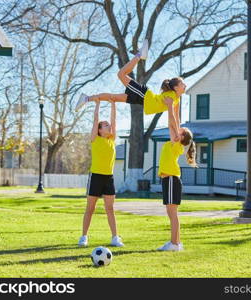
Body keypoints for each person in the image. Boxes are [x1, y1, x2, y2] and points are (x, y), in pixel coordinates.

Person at [75, 39, 186, 133]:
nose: (185, 85)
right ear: (176, 88)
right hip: (144, 95)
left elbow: (176, 118)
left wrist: (179, 132)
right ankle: (139, 55)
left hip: (141, 100)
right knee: (121, 74)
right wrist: (177, 132)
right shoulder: (171, 97)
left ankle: (86, 98)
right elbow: (171, 117)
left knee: (113, 97)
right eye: (182, 84)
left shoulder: (177, 100)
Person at [78, 99, 124, 247]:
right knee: (90, 209)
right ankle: (84, 237)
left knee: (110, 209)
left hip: (108, 178)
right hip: (96, 176)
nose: (109, 126)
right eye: (105, 125)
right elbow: (96, 119)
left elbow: (114, 120)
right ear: (99, 130)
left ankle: (115, 237)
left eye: (108, 125)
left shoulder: (112, 140)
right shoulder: (95, 139)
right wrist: (97, 103)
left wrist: (113, 103)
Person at [157, 97, 197, 251]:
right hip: (168, 180)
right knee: (171, 212)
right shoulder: (174, 142)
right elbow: (173, 123)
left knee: (172, 213)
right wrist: (176, 103)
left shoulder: (177, 146)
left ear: (181, 138)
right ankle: (177, 243)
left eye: (179, 131)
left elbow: (173, 122)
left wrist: (169, 106)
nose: (176, 129)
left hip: (172, 179)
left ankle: (174, 244)